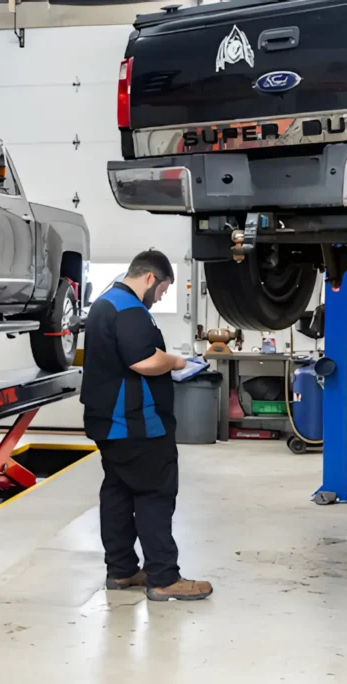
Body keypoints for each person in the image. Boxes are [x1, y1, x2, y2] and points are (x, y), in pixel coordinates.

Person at [80, 249, 213, 601]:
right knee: (155, 494)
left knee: (118, 493)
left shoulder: (104, 303)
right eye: (164, 290)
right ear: (151, 278)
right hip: (137, 424)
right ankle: (164, 577)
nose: (162, 297)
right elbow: (143, 361)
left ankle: (122, 570)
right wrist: (177, 361)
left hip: (110, 424)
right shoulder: (129, 309)